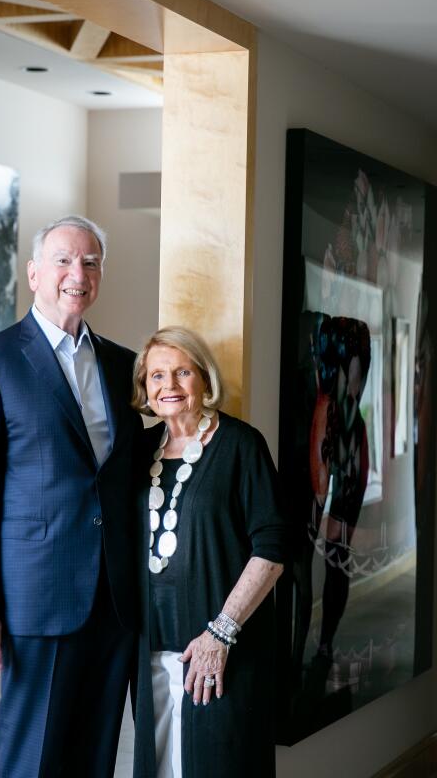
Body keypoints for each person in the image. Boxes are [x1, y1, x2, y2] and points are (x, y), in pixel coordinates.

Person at [0, 215, 144, 777]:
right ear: (34, 273)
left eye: (89, 262)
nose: (76, 273)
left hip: (114, 595)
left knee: (95, 752)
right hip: (35, 595)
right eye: (62, 260)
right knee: (31, 755)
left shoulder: (122, 364)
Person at [130, 326, 288, 778]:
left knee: (221, 764)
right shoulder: (140, 450)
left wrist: (221, 632)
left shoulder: (241, 445)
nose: (170, 386)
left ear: (204, 377)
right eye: (156, 376)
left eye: (182, 372)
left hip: (223, 650)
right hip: (152, 653)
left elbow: (272, 548)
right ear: (145, 388)